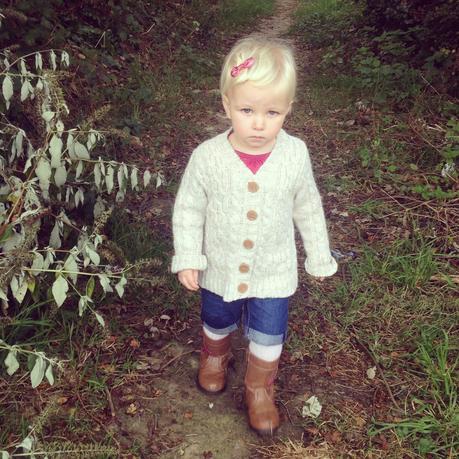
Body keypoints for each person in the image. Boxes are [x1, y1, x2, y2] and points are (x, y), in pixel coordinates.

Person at [171, 36, 337, 436]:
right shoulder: (207, 157)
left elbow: (307, 206)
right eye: (247, 110)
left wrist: (318, 254)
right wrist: (189, 255)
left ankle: (259, 387)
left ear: (289, 110)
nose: (259, 123)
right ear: (226, 104)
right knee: (217, 317)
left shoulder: (294, 154)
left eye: (272, 112)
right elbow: (189, 208)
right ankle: (215, 356)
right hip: (221, 265)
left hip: (274, 270)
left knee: (269, 331)